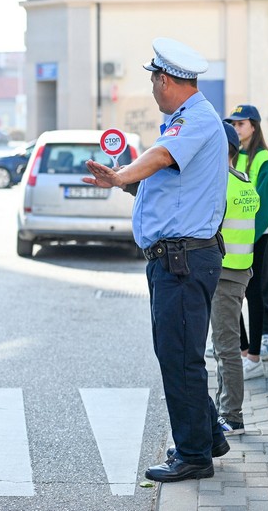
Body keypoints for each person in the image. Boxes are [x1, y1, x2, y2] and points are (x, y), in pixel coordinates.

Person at [83, 37, 228, 483]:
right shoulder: (184, 120)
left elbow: (161, 157)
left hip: (183, 262)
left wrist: (124, 174)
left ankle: (193, 456)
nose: (151, 88)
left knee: (179, 358)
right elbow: (166, 183)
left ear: (166, 80)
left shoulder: (196, 120)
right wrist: (129, 183)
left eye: (152, 80)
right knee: (178, 353)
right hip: (176, 260)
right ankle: (206, 435)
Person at [224, 105, 268, 376]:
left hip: (255, 238)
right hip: (232, 238)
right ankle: (243, 350)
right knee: (231, 294)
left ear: (254, 127)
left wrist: (249, 235)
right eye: (232, 125)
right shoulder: (235, 156)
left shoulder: (262, 160)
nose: (236, 129)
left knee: (255, 296)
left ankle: (255, 357)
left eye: (240, 124)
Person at [209, 121, 260, 435]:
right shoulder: (242, 180)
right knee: (225, 345)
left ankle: (232, 416)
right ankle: (225, 409)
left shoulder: (218, 184)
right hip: (240, 270)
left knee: (226, 347)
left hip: (223, 272)